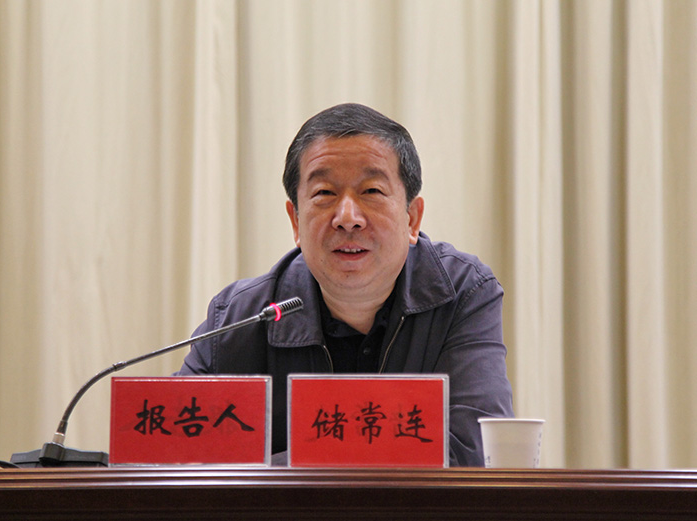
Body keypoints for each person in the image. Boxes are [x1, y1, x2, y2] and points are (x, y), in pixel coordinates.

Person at [176, 103, 513, 466]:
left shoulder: (461, 293)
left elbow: (475, 452)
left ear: (412, 218)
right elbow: (170, 455)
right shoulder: (239, 318)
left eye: (372, 191)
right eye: (324, 193)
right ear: (295, 221)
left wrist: (278, 469)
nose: (348, 218)